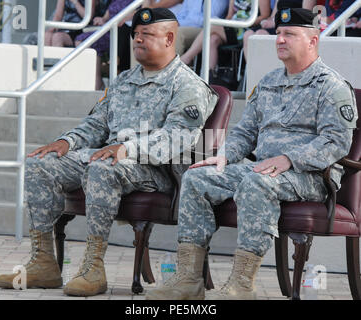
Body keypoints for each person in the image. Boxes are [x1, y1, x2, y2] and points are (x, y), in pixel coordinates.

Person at [0, 8, 218, 297]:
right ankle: (44, 263)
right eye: (135, 34)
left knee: (103, 167)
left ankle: (93, 267)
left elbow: (177, 139)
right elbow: (96, 123)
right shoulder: (124, 81)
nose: (137, 39)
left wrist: (127, 148)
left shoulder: (187, 85)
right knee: (41, 162)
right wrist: (68, 142)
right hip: (112, 158)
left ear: (169, 38)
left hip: (154, 170)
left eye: (146, 34)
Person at [146, 6, 357, 300]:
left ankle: (241, 284)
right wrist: (225, 157)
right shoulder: (269, 82)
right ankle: (188, 280)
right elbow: (246, 132)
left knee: (257, 182)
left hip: (309, 176)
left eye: (290, 34)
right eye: (279, 33)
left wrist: (290, 159)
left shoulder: (331, 86)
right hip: (263, 170)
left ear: (313, 40)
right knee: (197, 178)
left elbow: (336, 143)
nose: (280, 39)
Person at [180, 0, 271, 78]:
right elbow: (229, 16)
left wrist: (245, 22)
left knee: (212, 24)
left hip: (247, 28)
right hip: (232, 27)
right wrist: (226, 24)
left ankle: (186, 59)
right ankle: (209, 78)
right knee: (212, 39)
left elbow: (265, 16)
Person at [74, 0, 134, 90]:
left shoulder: (137, 2)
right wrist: (102, 20)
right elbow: (106, 17)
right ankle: (94, 80)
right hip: (108, 29)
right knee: (81, 40)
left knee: (90, 41)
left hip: (121, 32)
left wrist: (114, 22)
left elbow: (129, 17)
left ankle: (97, 81)